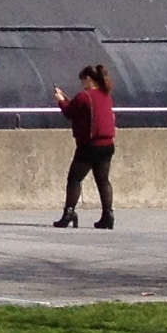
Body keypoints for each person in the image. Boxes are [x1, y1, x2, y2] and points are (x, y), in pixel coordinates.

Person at [54, 63, 117, 229]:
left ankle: (69, 213)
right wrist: (68, 101)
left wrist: (61, 101)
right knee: (103, 180)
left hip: (89, 145)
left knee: (74, 178)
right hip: (107, 144)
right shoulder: (106, 95)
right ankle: (108, 214)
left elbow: (70, 113)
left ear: (89, 79)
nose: (82, 83)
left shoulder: (84, 96)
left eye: (83, 80)